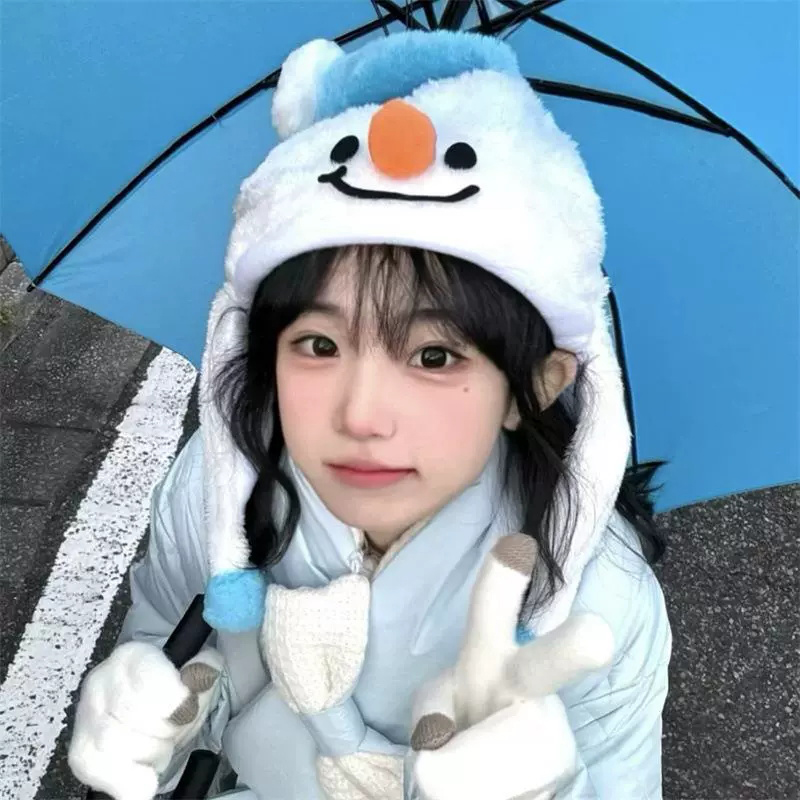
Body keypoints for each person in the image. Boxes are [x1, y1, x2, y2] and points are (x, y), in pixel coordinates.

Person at [68, 30, 672, 800]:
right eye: (318, 344)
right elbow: (168, 639)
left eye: (434, 356)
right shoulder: (214, 490)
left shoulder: (599, 607)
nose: (360, 415)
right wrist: (160, 714)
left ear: (535, 385)